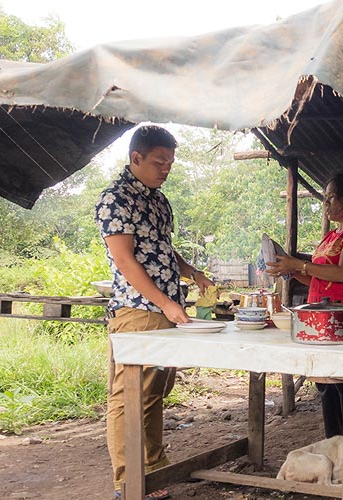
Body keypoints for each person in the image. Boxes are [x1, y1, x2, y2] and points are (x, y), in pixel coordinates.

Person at [95, 125, 214, 499]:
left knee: (153, 392)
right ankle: (127, 482)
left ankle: (154, 468)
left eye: (171, 163)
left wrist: (191, 271)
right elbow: (125, 260)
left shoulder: (159, 200)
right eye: (160, 161)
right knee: (128, 394)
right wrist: (164, 303)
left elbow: (163, 250)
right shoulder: (115, 199)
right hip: (137, 309)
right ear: (136, 158)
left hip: (166, 307)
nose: (167, 169)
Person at [266, 172, 343, 438]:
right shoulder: (331, 236)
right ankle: (337, 447)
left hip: (341, 321)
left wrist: (298, 264)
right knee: (327, 388)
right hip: (319, 319)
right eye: (324, 199)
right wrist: (291, 271)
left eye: (330, 198)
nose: (326, 205)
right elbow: (317, 275)